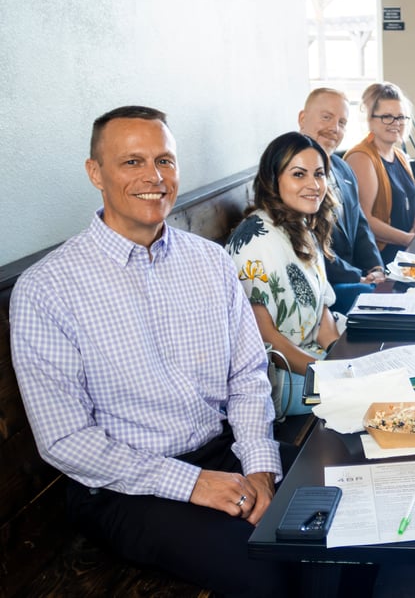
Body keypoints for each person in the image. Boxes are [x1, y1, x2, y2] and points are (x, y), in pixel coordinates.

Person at [9, 106, 293, 596]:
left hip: (222, 453)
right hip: (120, 487)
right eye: (132, 162)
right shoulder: (47, 288)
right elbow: (65, 439)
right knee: (269, 569)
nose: (153, 177)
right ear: (95, 172)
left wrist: (260, 468)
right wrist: (190, 484)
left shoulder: (209, 262)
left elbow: (247, 375)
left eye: (165, 160)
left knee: (344, 503)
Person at [226, 132, 341, 415]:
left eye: (319, 174)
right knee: (374, 393)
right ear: (273, 179)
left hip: (315, 357)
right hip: (282, 375)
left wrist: (341, 358)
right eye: (299, 175)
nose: (314, 185)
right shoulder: (255, 241)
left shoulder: (301, 226)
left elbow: (321, 311)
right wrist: (326, 373)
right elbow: (265, 338)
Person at [298, 87, 385, 314]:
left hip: (356, 276)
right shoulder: (293, 177)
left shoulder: (343, 168)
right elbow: (310, 247)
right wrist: (360, 277)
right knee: (373, 297)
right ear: (302, 119)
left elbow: (361, 225)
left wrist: (375, 267)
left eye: (342, 122)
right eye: (326, 117)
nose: (334, 129)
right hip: (323, 285)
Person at [344, 82, 415, 262]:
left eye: (401, 117)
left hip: (407, 253)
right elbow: (363, 218)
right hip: (380, 260)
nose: (395, 123)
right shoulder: (362, 158)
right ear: (370, 119)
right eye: (387, 117)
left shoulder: (401, 156)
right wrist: (408, 239)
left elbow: (413, 200)